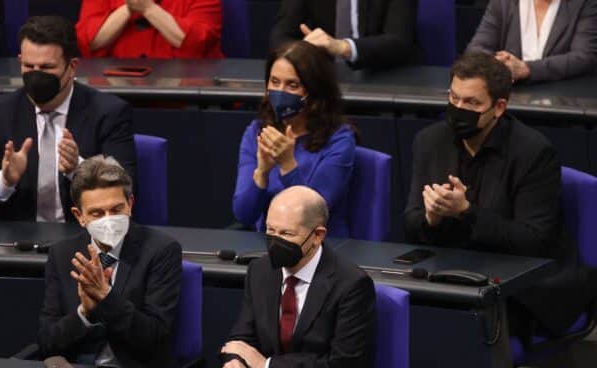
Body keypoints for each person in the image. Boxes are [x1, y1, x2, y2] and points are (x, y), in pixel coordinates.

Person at [404, 51, 594, 342]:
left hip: (528, 285)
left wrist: (466, 212)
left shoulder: (533, 153)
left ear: (500, 106)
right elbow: (410, 223)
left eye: (471, 103)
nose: (458, 109)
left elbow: (534, 241)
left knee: (456, 333)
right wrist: (431, 218)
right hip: (457, 273)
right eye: (453, 98)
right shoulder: (430, 141)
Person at [0, 16, 136, 222]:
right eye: (29, 67)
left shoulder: (108, 112)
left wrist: (79, 169)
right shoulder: (1, 110)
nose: (36, 76)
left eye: (47, 68)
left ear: (72, 66)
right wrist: (5, 180)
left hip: (83, 238)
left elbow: (126, 189)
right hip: (19, 240)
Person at [38, 155, 182, 368]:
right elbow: (47, 342)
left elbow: (155, 338)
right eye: (97, 213)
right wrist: (84, 314)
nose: (108, 220)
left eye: (116, 210)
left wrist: (106, 298)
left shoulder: (160, 251)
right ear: (80, 216)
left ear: (130, 204)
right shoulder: (62, 254)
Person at [222, 185, 375, 368]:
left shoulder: (351, 284)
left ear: (317, 236)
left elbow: (343, 363)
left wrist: (268, 365)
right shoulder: (260, 270)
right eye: (270, 231)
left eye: (286, 233)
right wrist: (235, 361)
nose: (275, 242)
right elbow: (241, 337)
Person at [232, 41, 356, 238]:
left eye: (292, 85)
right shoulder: (257, 131)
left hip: (319, 247)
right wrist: (262, 173)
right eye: (274, 82)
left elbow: (312, 217)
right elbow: (244, 215)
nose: (280, 92)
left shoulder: (339, 139)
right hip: (269, 244)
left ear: (314, 91)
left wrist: (288, 165)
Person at [467, 0, 597, 82]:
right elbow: (477, 47)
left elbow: (584, 57)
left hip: (565, 105)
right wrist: (498, 65)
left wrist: (526, 69)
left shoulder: (585, 3)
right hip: (509, 103)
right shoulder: (503, 3)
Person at [268, 0, 418, 69]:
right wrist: (302, 52)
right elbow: (281, 34)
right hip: (324, 80)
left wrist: (344, 47)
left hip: (384, 75)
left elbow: (399, 41)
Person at [75, 0, 223, 58]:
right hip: (115, 94)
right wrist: (130, 7)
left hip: (185, 96)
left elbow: (199, 42)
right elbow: (90, 42)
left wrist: (148, 8)